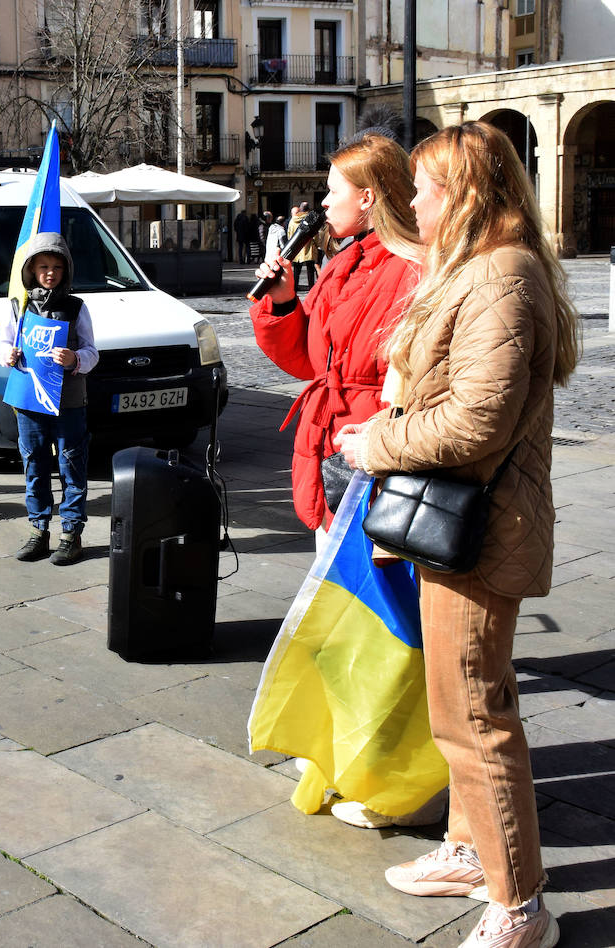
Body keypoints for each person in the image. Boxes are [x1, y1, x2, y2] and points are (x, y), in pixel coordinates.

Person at [337, 121, 580, 948]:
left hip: (483, 530)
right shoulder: (482, 270)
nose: (414, 200)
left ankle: (521, 907)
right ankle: (470, 852)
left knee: (477, 718)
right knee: (457, 710)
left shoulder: (503, 276)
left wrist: (377, 443)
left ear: (468, 195)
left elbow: (477, 421)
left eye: (429, 187)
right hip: (465, 521)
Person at [251, 134, 428, 829]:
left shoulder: (413, 270)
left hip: (376, 464)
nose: (321, 203)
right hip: (329, 454)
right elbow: (307, 360)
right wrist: (284, 302)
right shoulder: (342, 263)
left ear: (370, 196)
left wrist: (379, 440)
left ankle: (378, 765)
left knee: (377, 624)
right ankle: (336, 745)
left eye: (333, 190)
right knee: (332, 616)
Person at [0, 233, 97, 565]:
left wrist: (75, 359)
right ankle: (39, 530)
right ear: (31, 269)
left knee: (71, 464)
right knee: (34, 464)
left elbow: (92, 352)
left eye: (56, 266)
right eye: (43, 266)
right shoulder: (17, 306)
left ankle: (71, 534)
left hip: (68, 400)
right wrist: (7, 354)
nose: (49, 272)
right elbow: (3, 343)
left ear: (65, 270)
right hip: (29, 400)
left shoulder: (76, 308)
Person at [288, 202, 321, 291]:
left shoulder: (292, 220)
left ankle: (294, 287)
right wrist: (317, 244)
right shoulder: (311, 219)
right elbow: (315, 235)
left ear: (300, 209)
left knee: (296, 270)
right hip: (309, 248)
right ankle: (311, 287)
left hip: (296, 248)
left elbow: (290, 235)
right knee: (310, 270)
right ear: (308, 209)